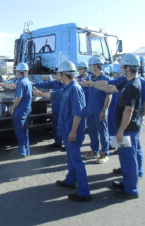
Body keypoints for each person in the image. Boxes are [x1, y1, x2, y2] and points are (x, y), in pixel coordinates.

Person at [81, 53, 142, 199]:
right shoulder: (128, 82)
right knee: (126, 159)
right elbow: (110, 88)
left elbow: (128, 110)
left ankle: (131, 190)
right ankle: (127, 183)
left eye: (122, 66)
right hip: (128, 128)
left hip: (128, 129)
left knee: (129, 159)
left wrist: (120, 130)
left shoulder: (132, 86)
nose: (121, 68)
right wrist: (92, 84)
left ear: (128, 68)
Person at [35, 61, 91, 202]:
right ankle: (70, 180)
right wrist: (39, 93)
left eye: (59, 73)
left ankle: (84, 192)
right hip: (66, 130)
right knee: (71, 158)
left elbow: (78, 113)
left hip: (73, 131)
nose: (58, 75)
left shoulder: (75, 89)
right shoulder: (66, 88)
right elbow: (54, 95)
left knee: (76, 160)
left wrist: (73, 131)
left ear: (64, 74)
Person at [83, 56, 112, 164]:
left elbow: (109, 96)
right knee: (92, 132)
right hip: (90, 111)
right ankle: (94, 151)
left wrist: (104, 110)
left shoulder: (105, 79)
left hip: (100, 111)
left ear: (96, 66)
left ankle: (104, 153)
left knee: (103, 132)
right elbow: (82, 82)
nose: (90, 67)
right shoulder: (92, 79)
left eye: (91, 65)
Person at [33, 72, 63, 148]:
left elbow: (53, 94)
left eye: (59, 75)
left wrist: (40, 93)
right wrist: (34, 84)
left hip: (64, 110)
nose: (57, 77)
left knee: (65, 126)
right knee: (55, 126)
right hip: (56, 110)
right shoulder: (55, 83)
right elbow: (45, 84)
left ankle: (67, 144)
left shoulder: (66, 86)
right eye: (57, 75)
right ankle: (58, 142)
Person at [10, 62, 32, 158]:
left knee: (20, 132)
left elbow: (18, 98)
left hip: (19, 111)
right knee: (25, 131)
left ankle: (22, 152)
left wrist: (13, 108)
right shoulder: (28, 81)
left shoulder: (20, 82)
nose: (16, 74)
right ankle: (27, 150)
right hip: (26, 110)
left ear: (19, 72)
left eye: (17, 72)